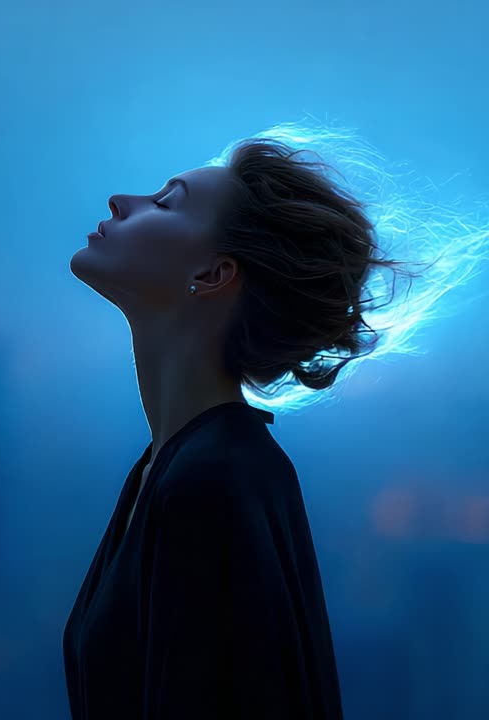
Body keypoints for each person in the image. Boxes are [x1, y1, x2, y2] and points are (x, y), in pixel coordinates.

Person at [62, 135, 418, 719]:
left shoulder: (214, 479)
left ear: (212, 273)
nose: (121, 201)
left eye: (165, 202)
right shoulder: (171, 469)